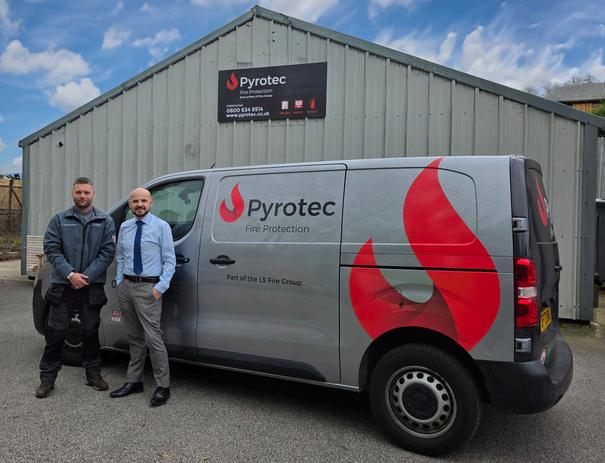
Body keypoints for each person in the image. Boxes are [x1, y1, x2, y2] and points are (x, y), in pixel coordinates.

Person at [36, 177, 116, 398]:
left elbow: (108, 252)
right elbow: (52, 248)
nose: (82, 196)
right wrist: (70, 274)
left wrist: (85, 277)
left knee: (90, 331)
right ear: (73, 193)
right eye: (79, 192)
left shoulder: (105, 221)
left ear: (93, 194)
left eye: (86, 192)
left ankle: (93, 374)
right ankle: (47, 379)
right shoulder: (59, 220)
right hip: (63, 285)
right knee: (56, 332)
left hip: (91, 286)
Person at [110, 187, 176, 406]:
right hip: (127, 287)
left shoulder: (161, 226)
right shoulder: (125, 227)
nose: (140, 204)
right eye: (135, 201)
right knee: (134, 337)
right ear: (130, 204)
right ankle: (134, 381)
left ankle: (163, 386)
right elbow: (121, 256)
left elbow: (170, 260)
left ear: (150, 203)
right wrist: (120, 281)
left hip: (149, 288)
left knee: (153, 337)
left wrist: (160, 287)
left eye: (144, 201)